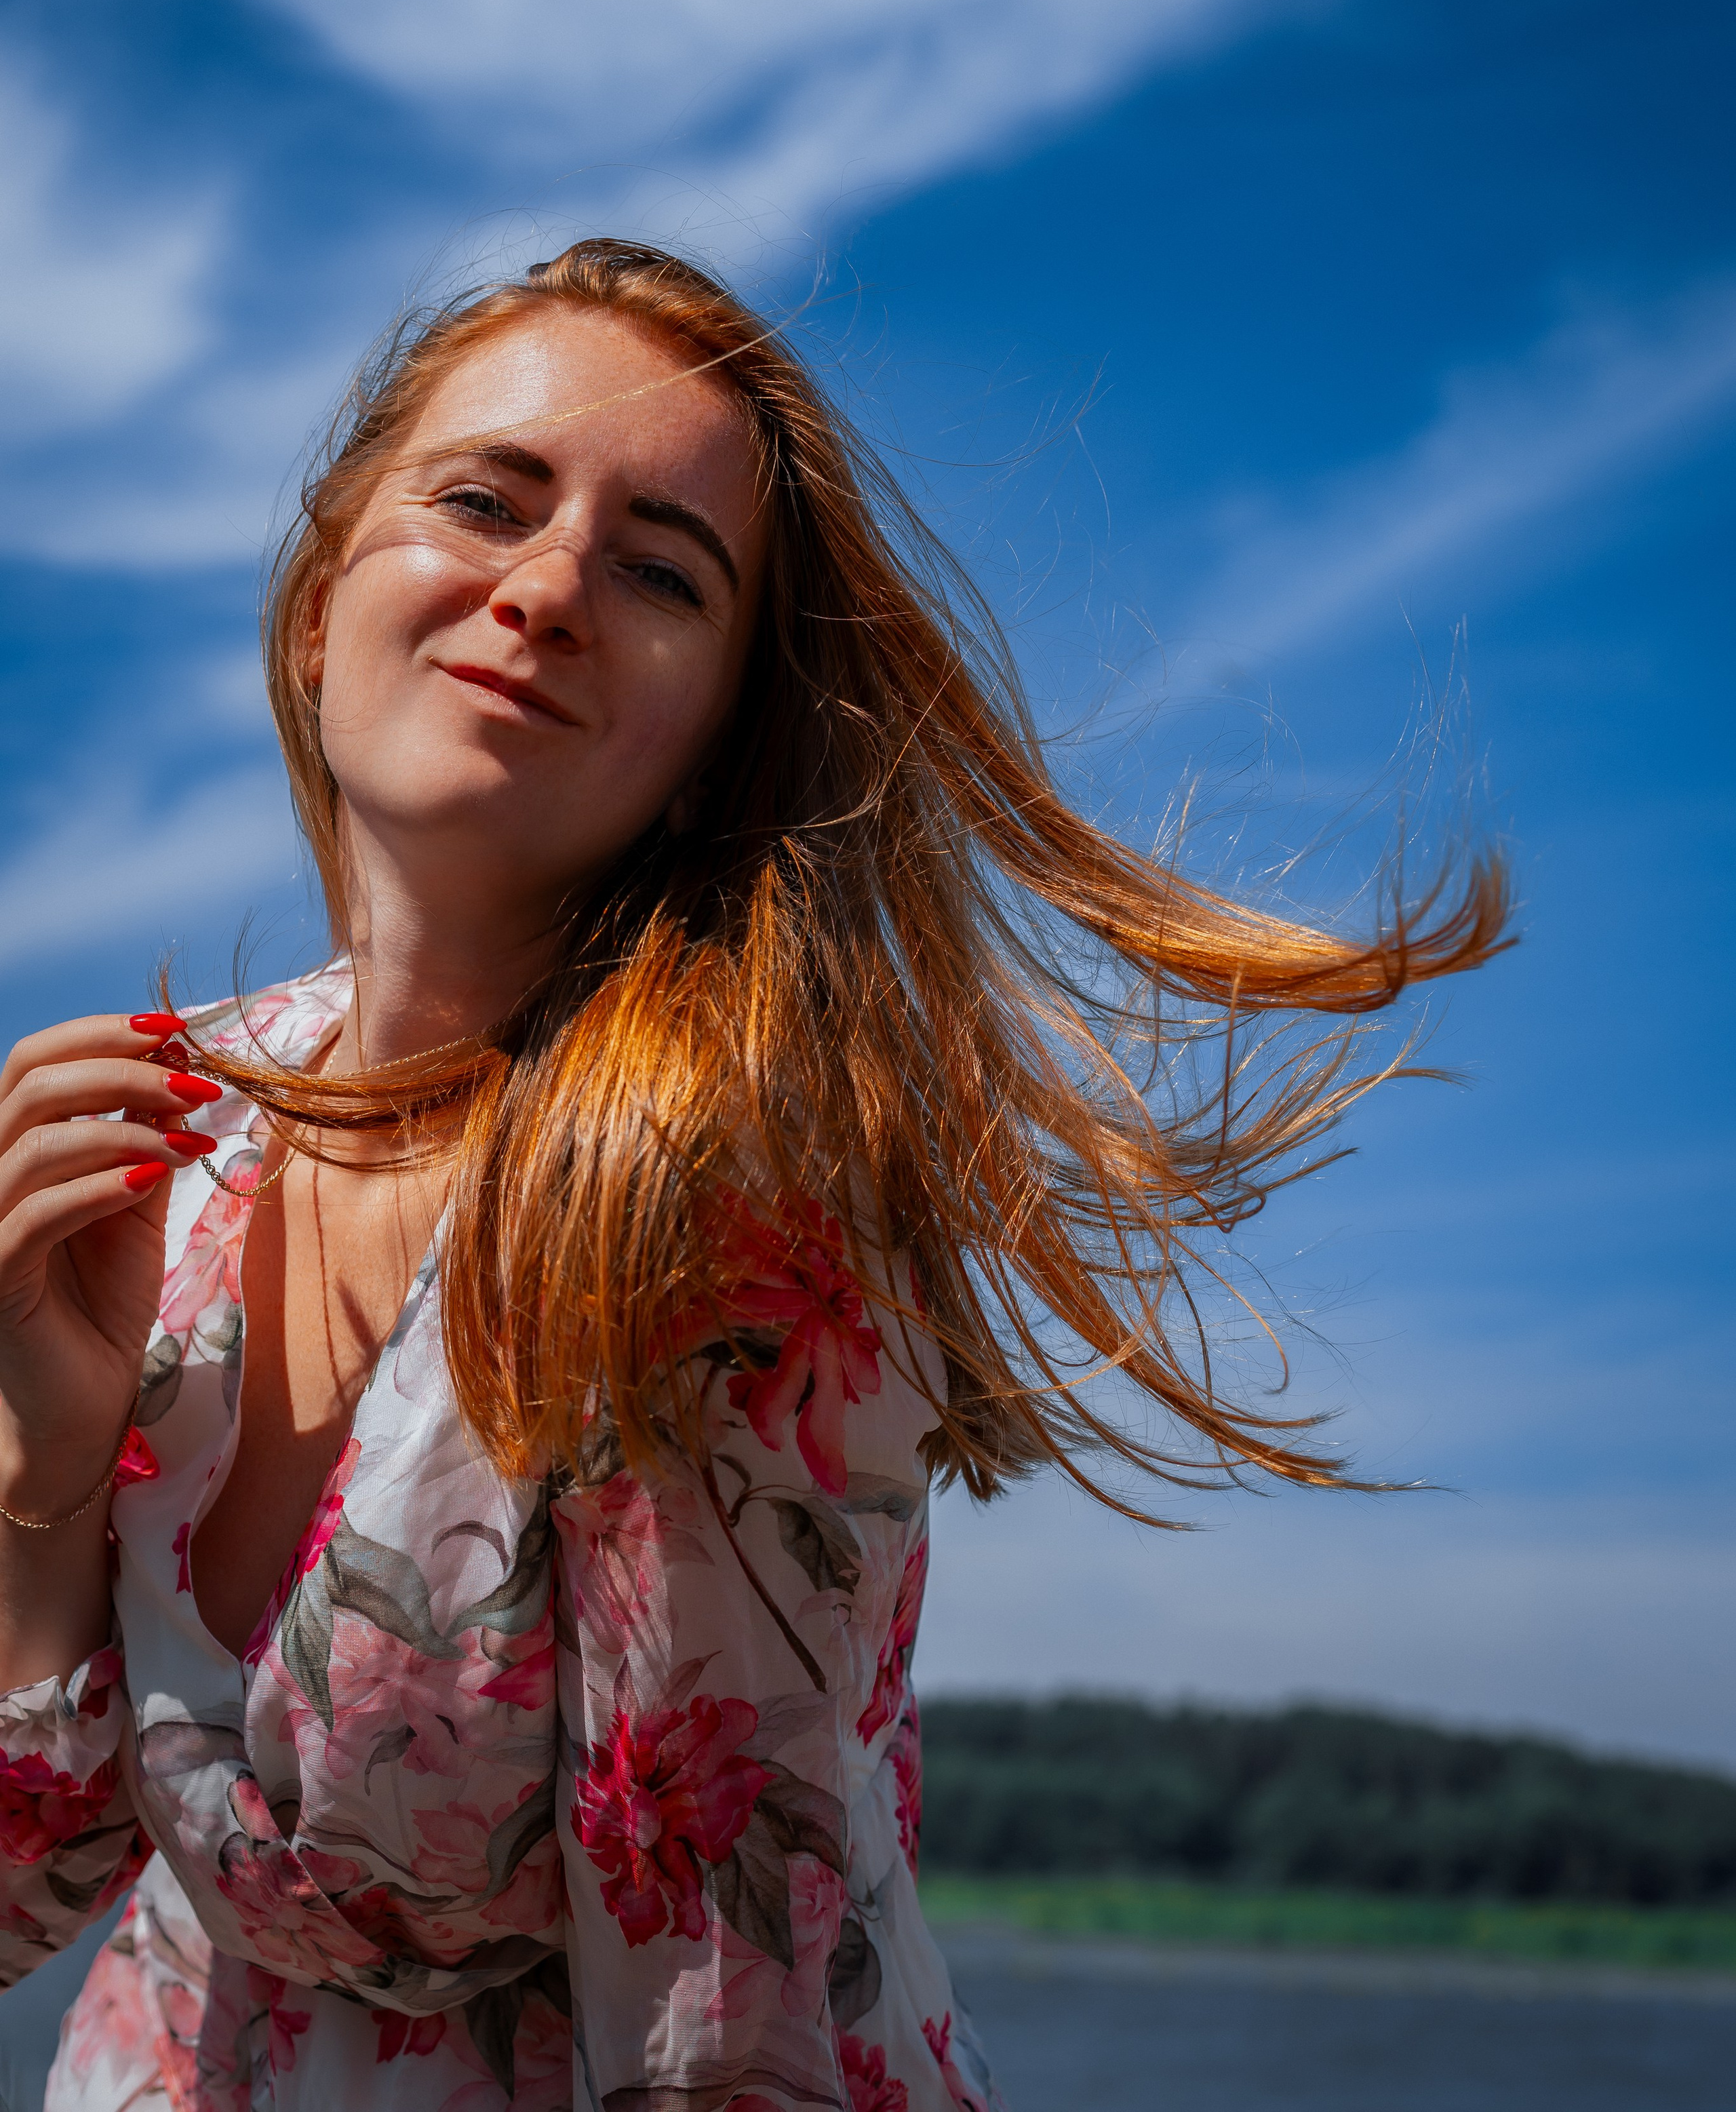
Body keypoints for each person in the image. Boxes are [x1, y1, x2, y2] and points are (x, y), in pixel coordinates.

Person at [0, 239, 1507, 2111]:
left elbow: (725, 2025)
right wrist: (46, 1487)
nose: (545, 587)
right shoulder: (159, 1143)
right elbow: (29, 1876)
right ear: (321, 603)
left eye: (658, 571)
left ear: (713, 744)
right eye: (485, 498)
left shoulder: (707, 1203)